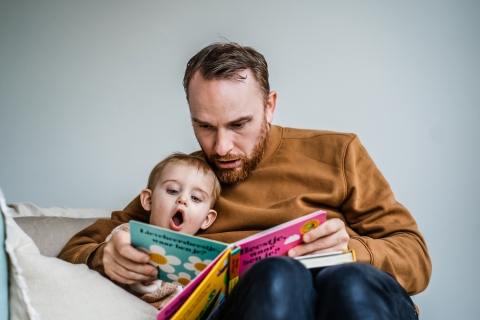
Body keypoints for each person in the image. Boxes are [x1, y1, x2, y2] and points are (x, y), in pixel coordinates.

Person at [58, 42, 432, 319]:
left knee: (349, 281)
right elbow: (78, 248)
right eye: (204, 126)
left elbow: (415, 255)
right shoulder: (187, 179)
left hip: (349, 294)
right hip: (249, 303)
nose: (221, 147)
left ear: (269, 106)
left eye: (239, 125)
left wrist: (350, 250)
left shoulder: (340, 152)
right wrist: (103, 256)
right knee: (277, 276)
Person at [104, 152, 221, 309]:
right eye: (173, 191)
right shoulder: (129, 235)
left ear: (206, 219)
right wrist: (143, 277)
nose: (183, 200)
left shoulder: (202, 257)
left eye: (196, 198)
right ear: (148, 200)